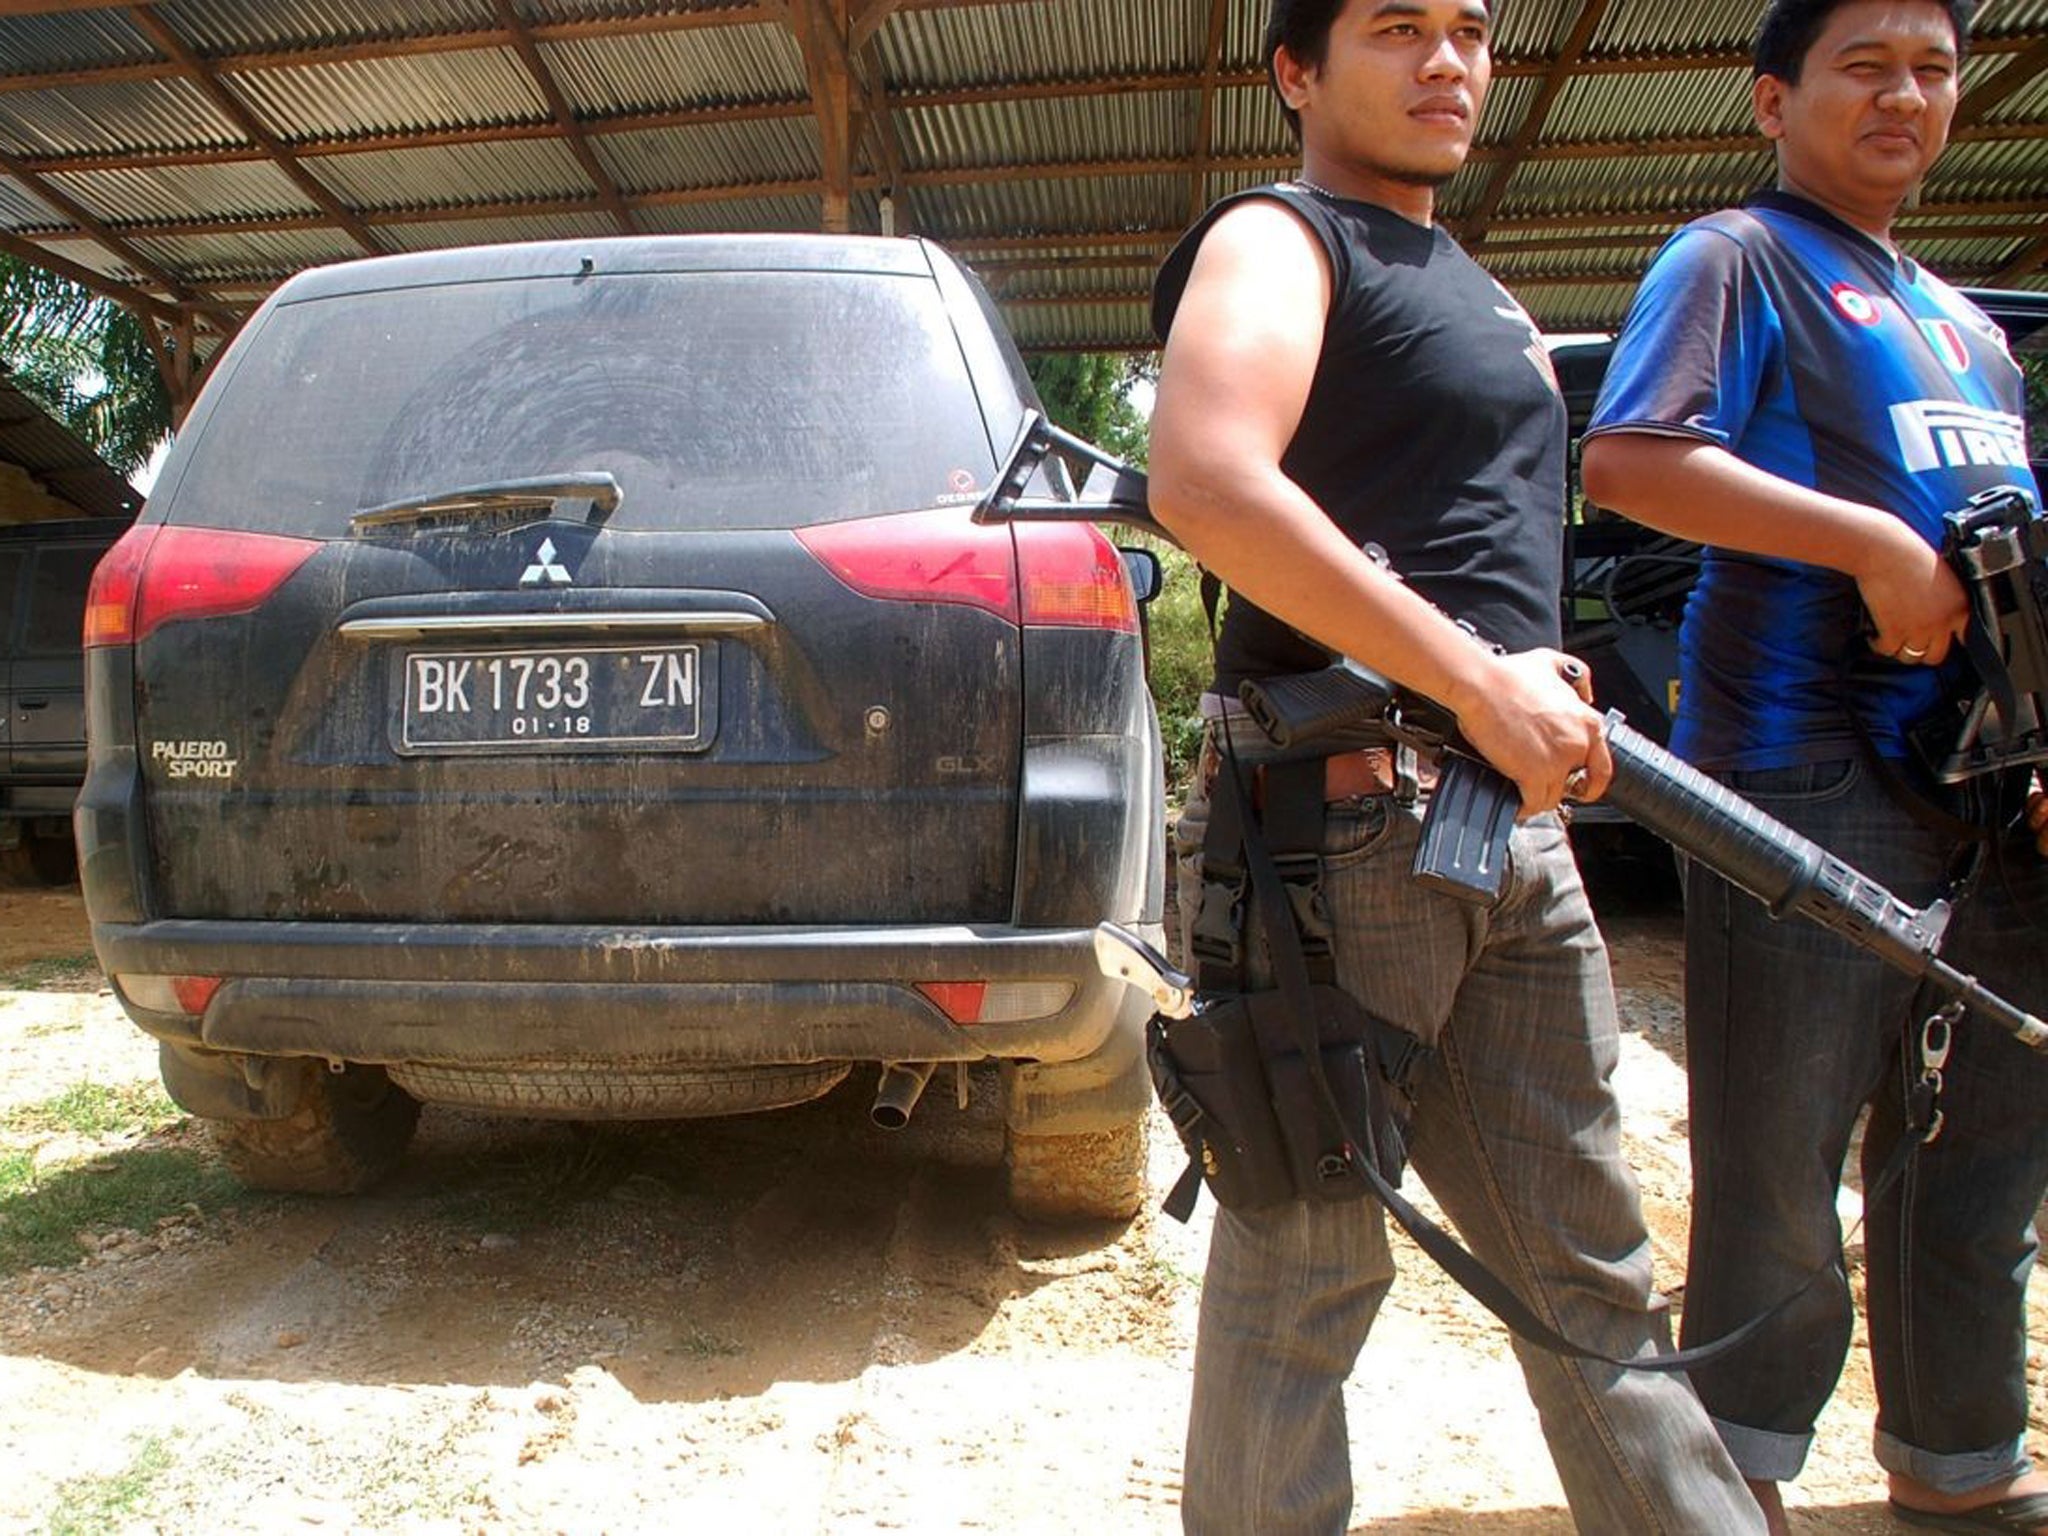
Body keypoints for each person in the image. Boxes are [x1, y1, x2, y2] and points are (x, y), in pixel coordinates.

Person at [1146, 2, 1763, 1531]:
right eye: (1397, 27)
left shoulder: (1475, 289)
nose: (1448, 62)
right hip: (1347, 839)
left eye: (1472, 30)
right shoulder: (1286, 240)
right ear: (1297, 69)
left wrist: (1523, 682)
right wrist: (1482, 681)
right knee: (1307, 1275)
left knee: (1594, 1275)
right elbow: (1204, 478)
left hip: (1505, 839)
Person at [1580, 3, 2048, 1533]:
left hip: (1988, 794)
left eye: (1932, 65)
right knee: (1779, 1164)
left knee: (1979, 1152)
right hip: (1802, 779)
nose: (1905, 93)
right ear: (1776, 98)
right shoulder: (1739, 258)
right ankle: (1739, 1474)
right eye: (1867, 63)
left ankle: (1959, 1463)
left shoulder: (1969, 325)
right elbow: (1632, 456)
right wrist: (1865, 543)